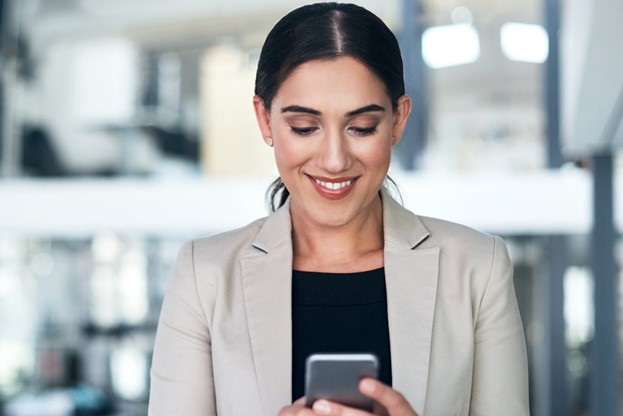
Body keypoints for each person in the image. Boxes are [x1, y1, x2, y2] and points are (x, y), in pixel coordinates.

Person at [148, 3, 529, 415]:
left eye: (361, 127)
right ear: (264, 118)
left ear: (399, 120)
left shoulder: (477, 268)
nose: (334, 159)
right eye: (304, 127)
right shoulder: (203, 277)